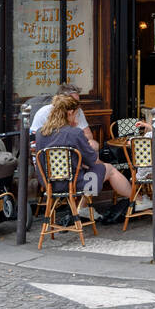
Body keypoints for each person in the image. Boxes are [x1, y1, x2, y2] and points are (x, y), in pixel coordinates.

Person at [36, 94, 133, 225]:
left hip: (48, 184)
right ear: (70, 112)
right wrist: (104, 166)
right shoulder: (74, 133)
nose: (76, 117)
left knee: (91, 172)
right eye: (75, 114)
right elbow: (92, 160)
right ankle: (136, 200)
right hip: (73, 184)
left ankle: (82, 207)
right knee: (108, 169)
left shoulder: (41, 133)